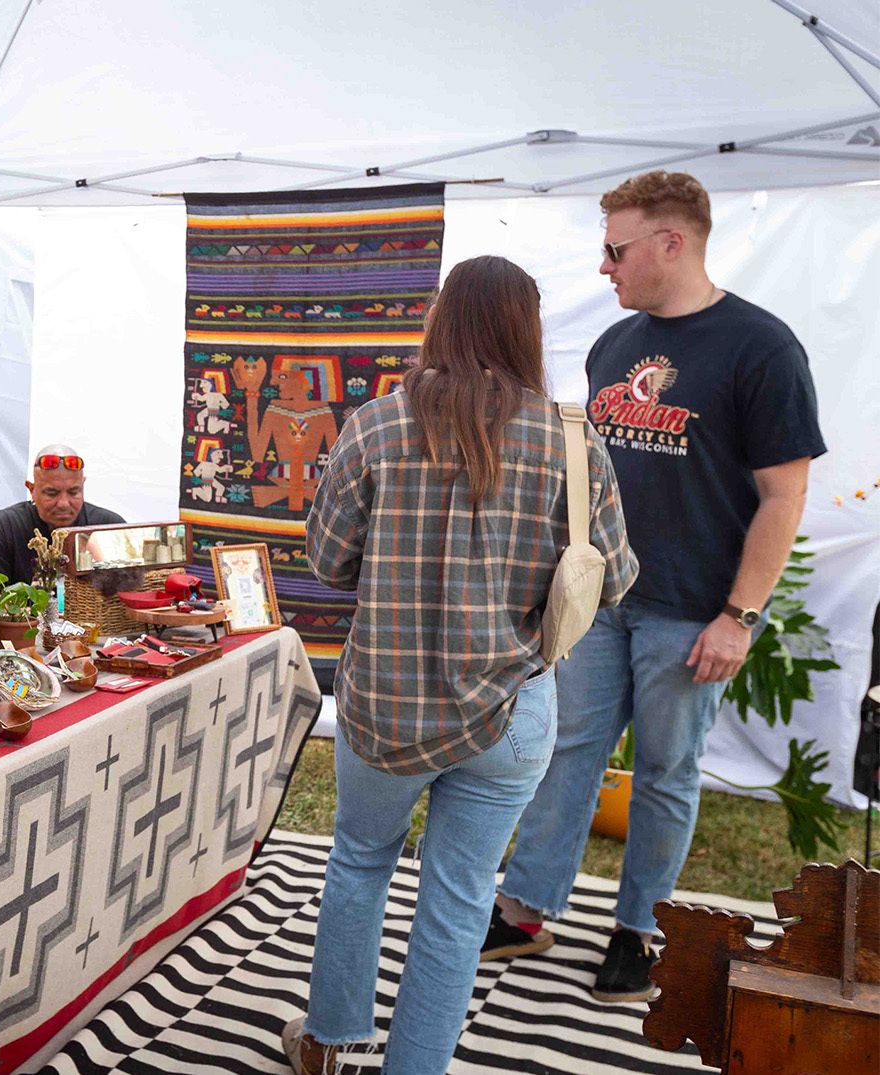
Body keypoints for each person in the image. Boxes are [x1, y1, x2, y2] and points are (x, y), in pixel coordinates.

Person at [284, 256, 637, 1075]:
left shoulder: (375, 424)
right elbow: (612, 579)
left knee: (361, 861)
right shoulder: (573, 440)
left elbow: (330, 560)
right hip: (512, 710)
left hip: (384, 707)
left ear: (442, 321)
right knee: (458, 901)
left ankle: (328, 1045)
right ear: (526, 328)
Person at [486, 171, 825, 1002]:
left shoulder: (763, 348)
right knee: (566, 752)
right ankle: (528, 907)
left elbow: (784, 495)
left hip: (695, 609)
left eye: (616, 247)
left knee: (669, 769)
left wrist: (740, 616)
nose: (605, 266)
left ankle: (642, 927)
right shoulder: (613, 347)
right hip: (601, 600)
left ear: (671, 243)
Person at [0, 444, 124, 585]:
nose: (64, 503)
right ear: (31, 489)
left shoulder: (109, 526)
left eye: (73, 492)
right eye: (52, 493)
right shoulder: (3, 528)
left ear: (83, 485)